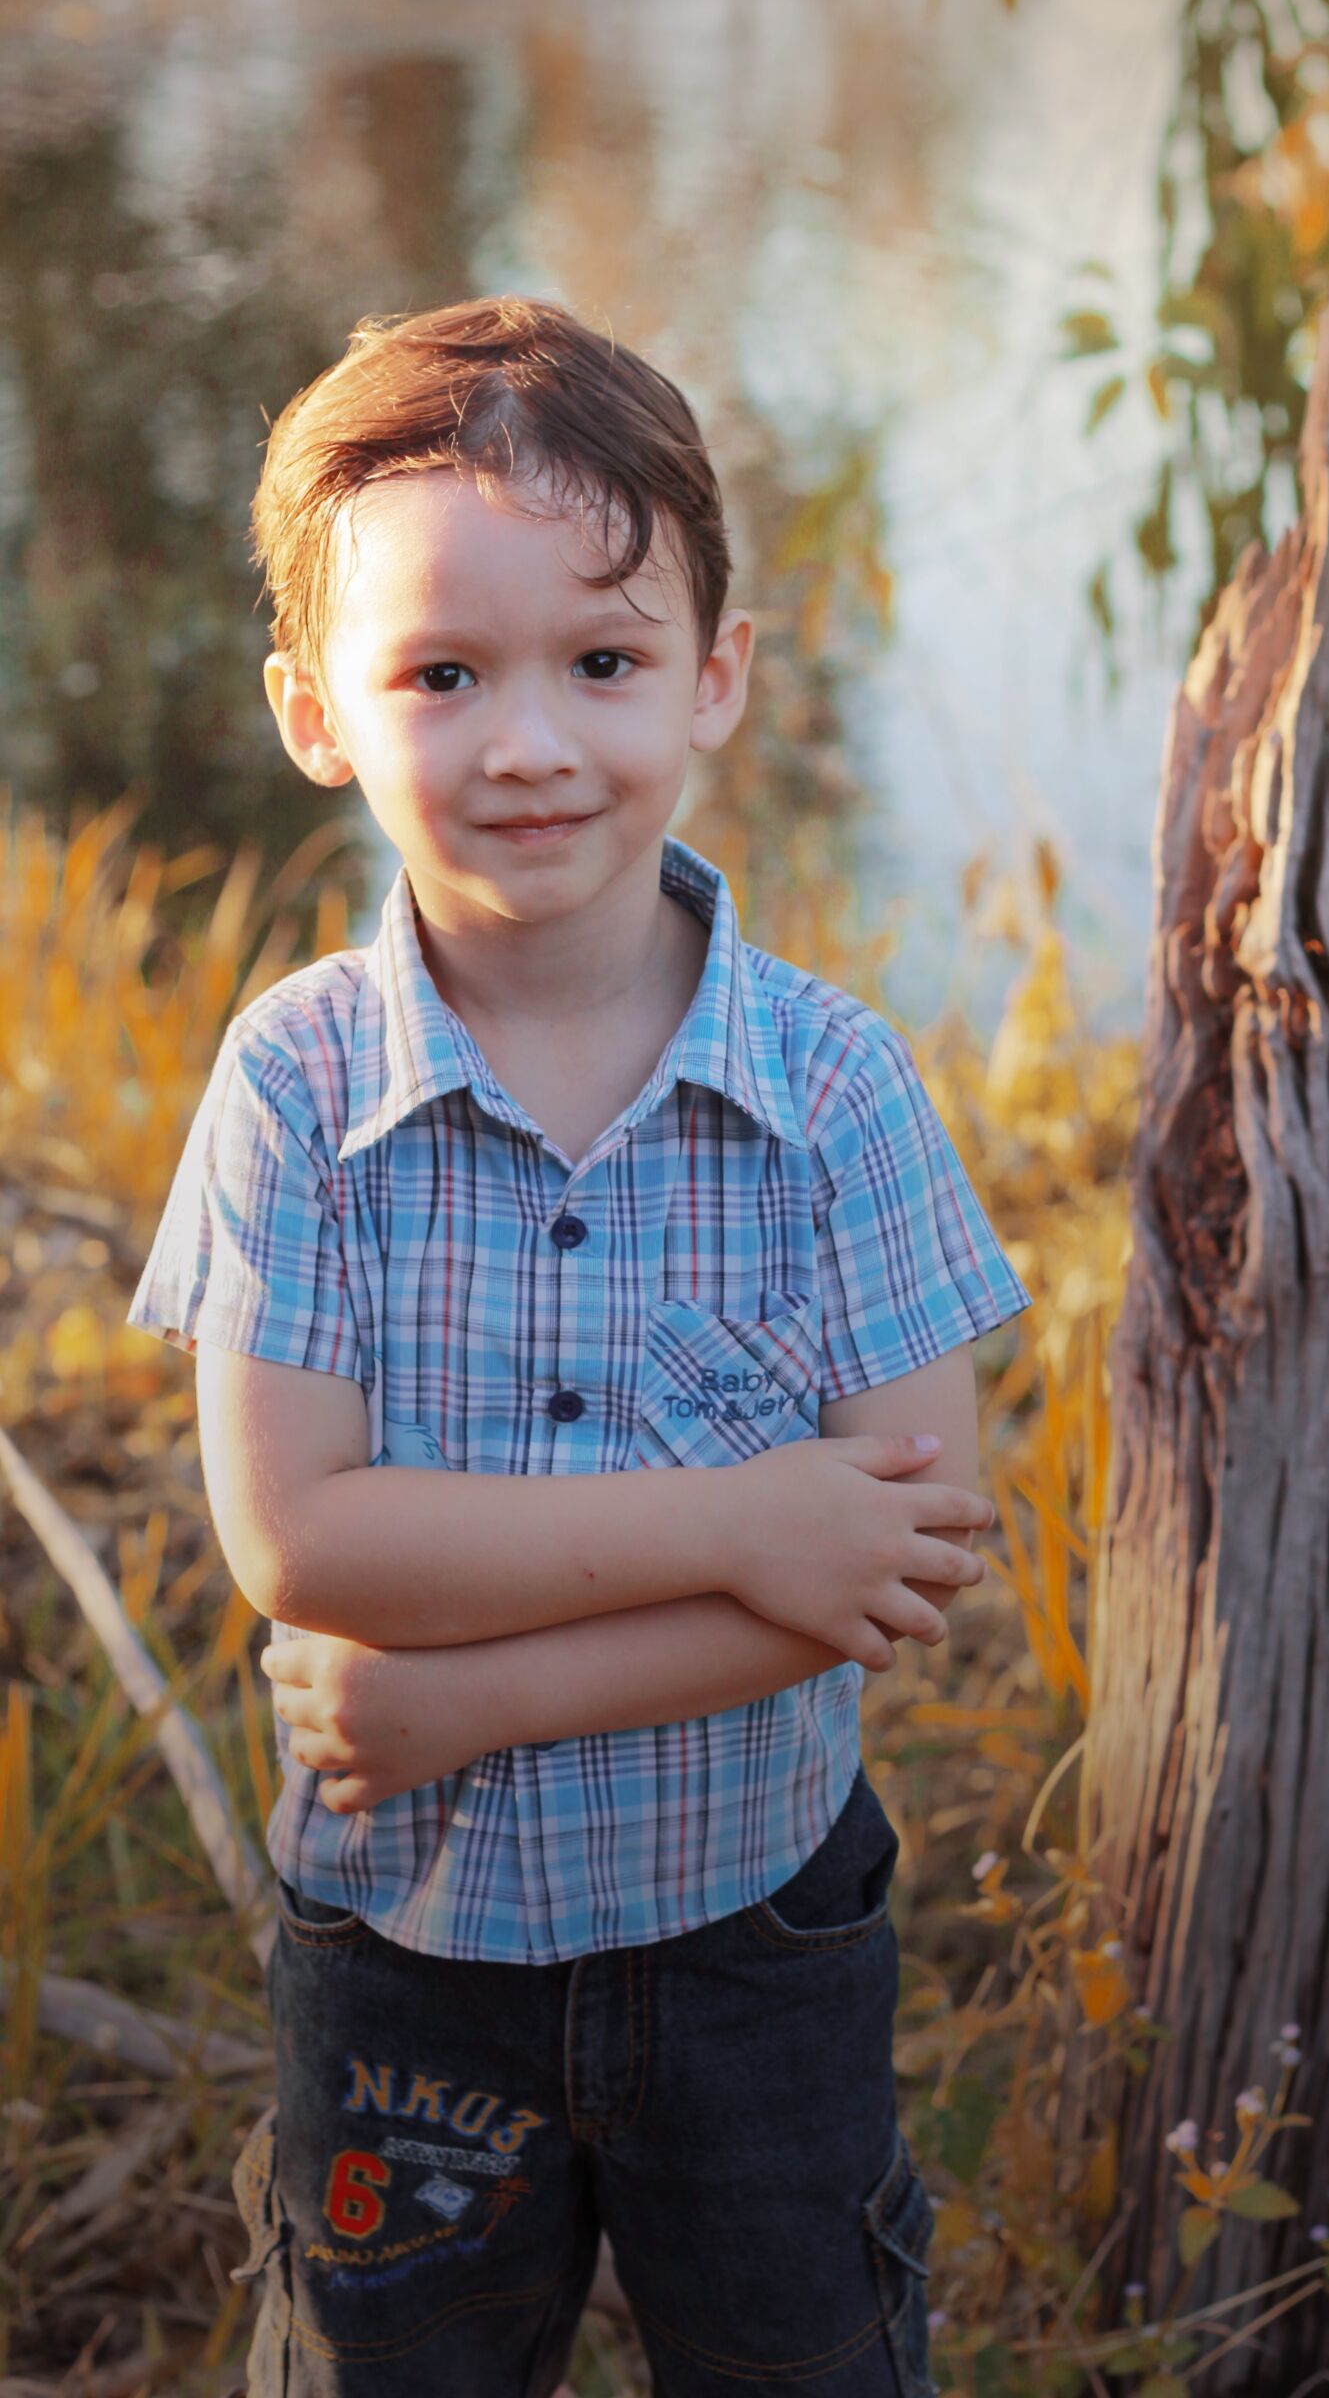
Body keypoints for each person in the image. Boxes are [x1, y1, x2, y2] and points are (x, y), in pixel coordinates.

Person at [126, 294, 1033, 2398]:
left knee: (800, 2357)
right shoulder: (292, 1086)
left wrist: (474, 1696)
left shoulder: (837, 1093)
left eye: (600, 663)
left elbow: (882, 1561)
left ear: (712, 680)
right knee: (392, 2366)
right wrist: (742, 1525)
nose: (528, 740)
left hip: (756, 1935)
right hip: (407, 1956)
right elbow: (307, 1544)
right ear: (314, 713)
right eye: (443, 675)